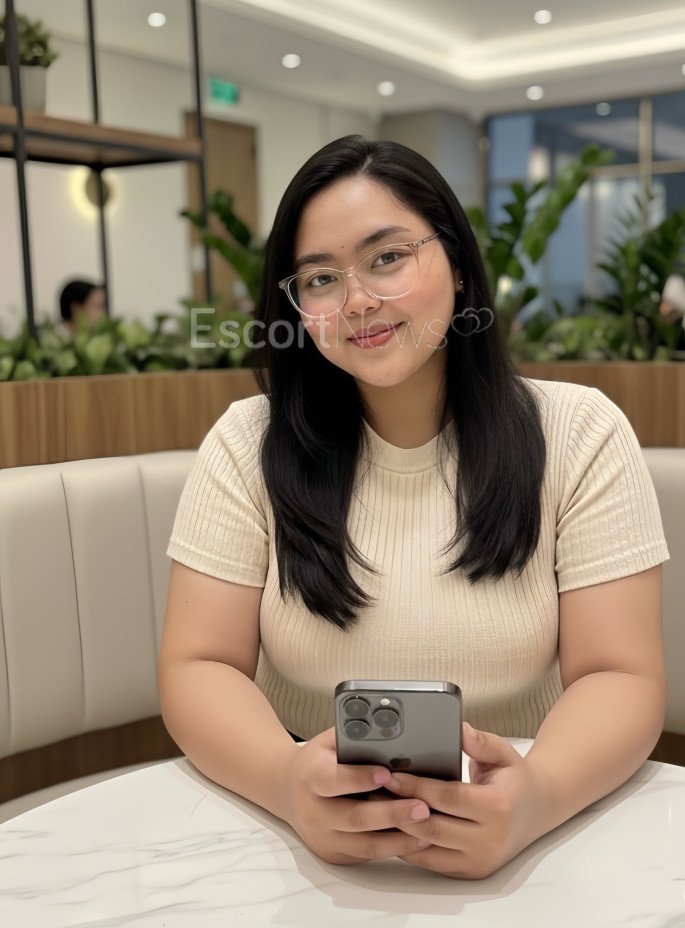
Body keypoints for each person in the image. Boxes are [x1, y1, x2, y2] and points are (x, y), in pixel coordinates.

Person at [158, 135, 669, 880]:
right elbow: (198, 663)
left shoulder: (580, 434)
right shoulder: (247, 444)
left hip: (531, 816)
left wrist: (537, 796)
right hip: (300, 834)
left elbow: (618, 675)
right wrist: (285, 781)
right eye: (320, 278)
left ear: (456, 262)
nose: (357, 301)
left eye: (387, 258)